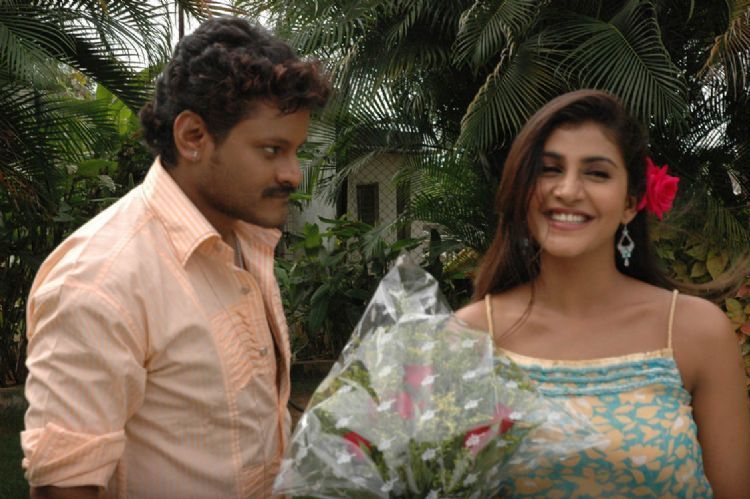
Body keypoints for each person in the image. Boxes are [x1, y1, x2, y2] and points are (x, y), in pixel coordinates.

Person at [22, 17, 330, 498]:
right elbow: (65, 487)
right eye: (272, 150)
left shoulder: (245, 238)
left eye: (295, 151)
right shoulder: (101, 281)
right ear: (193, 137)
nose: (293, 174)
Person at [455, 90, 750, 497]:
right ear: (522, 190)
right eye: (548, 170)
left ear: (630, 202)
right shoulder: (468, 336)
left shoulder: (695, 331)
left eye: (596, 173)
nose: (568, 190)